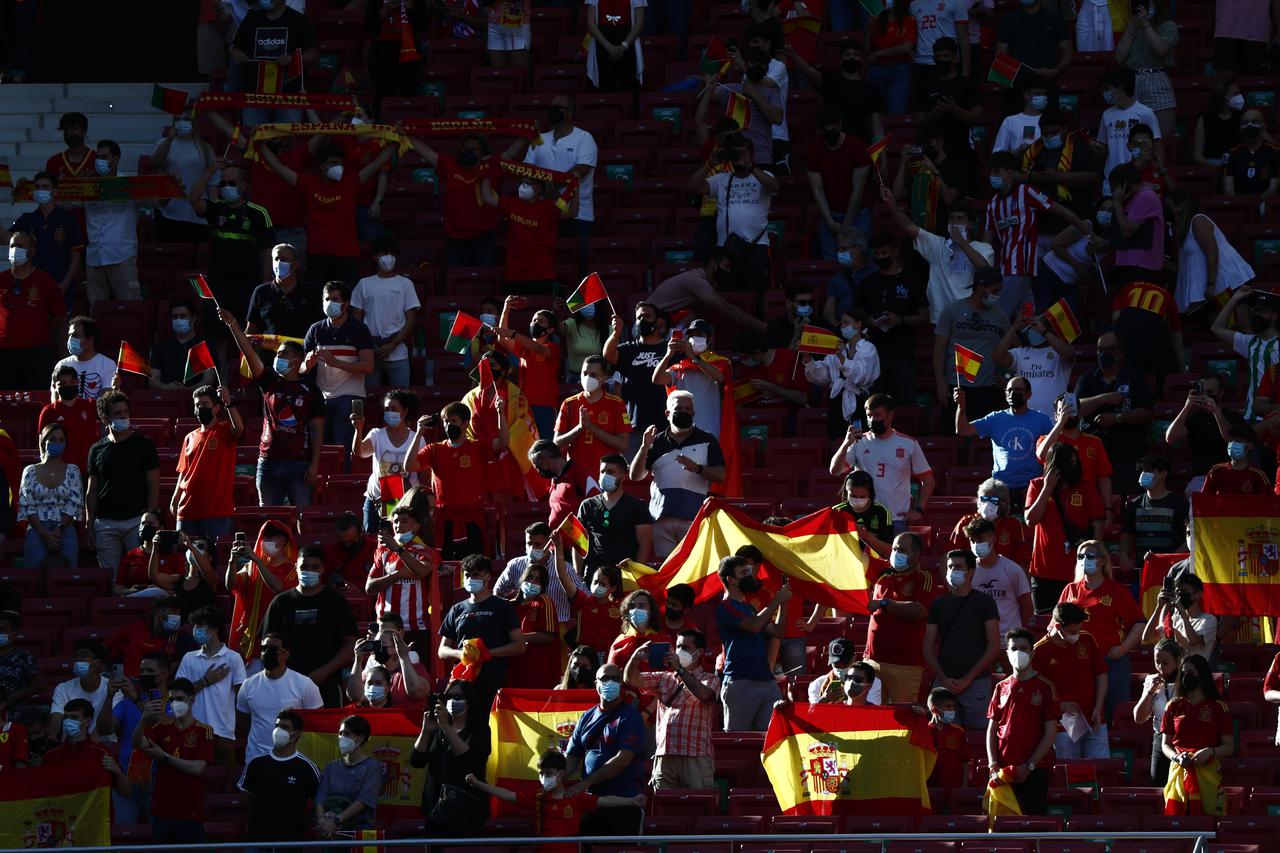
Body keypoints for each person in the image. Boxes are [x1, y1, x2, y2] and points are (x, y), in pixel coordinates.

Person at [221, 307, 324, 507]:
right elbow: (248, 352)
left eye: (284, 354)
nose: (278, 358)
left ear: (297, 360)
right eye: (278, 354)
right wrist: (233, 324)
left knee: (302, 515)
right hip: (267, 462)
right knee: (267, 518)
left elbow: (318, 430)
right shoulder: (269, 382)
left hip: (299, 464)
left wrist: (315, 463)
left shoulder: (311, 390)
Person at [466, 748, 646, 850]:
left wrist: (631, 801)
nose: (544, 777)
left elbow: (604, 801)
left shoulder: (574, 797)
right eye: (541, 774)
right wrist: (479, 784)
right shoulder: (537, 797)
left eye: (549, 773)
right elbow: (507, 795)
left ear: (560, 774)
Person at [984, 151, 1094, 317]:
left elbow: (1060, 210)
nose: (993, 176)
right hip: (1009, 269)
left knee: (999, 317)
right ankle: (1034, 342)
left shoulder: (1025, 192)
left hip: (1019, 268)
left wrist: (1087, 231)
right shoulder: (992, 204)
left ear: (1010, 173)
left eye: (997, 171)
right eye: (991, 172)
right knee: (1029, 321)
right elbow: (987, 241)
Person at [629, 391, 726, 559]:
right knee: (667, 571)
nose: (684, 412)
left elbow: (721, 475)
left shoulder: (707, 439)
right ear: (667, 413)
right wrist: (645, 447)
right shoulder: (656, 441)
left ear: (694, 413)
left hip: (693, 518)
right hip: (661, 519)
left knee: (692, 567)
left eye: (688, 409)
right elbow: (635, 476)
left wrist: (698, 468)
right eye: (679, 408)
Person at [405, 401, 506, 560]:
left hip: (471, 518)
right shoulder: (435, 449)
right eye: (445, 421)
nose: (448, 425)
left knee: (472, 564)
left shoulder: (477, 446)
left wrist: (501, 413)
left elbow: (502, 442)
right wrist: (418, 434)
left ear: (465, 423)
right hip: (445, 520)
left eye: (453, 421)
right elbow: (409, 465)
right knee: (445, 564)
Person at [1058, 542, 1144, 724]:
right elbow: (1054, 626)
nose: (1084, 560)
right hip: (1078, 662)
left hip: (1111, 661)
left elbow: (1139, 623)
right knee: (1081, 715)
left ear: (1102, 560)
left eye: (1090, 556)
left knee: (1114, 712)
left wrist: (1123, 648)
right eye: (1081, 557)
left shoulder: (1117, 591)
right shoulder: (1070, 590)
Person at [621, 629, 718, 790]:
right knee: (664, 808)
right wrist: (635, 658)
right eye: (678, 646)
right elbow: (631, 679)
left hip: (695, 756)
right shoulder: (664, 677)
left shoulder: (710, 679)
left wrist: (680, 670)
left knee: (698, 806)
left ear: (699, 652)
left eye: (686, 647)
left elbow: (705, 695)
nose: (680, 651)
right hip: (664, 755)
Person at [264, 545, 358, 707]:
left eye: (314, 567)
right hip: (286, 683)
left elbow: (350, 644)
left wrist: (324, 671)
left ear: (323, 568)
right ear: (296, 567)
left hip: (326, 683)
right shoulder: (280, 602)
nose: (309, 571)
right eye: (304, 566)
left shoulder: (336, 602)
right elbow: (267, 645)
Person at [828, 393, 934, 533]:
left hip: (895, 519)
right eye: (869, 415)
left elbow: (928, 481)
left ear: (890, 415)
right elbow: (835, 470)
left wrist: (919, 510)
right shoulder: (858, 442)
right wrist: (846, 444)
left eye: (878, 415)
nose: (872, 420)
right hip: (862, 517)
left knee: (893, 554)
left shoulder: (908, 444)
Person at [884, 192, 994, 325]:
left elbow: (986, 272)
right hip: (942, 318)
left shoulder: (983, 248)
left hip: (971, 317)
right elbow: (908, 226)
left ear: (970, 224)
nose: (954, 223)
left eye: (960, 219)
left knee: (964, 347)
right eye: (951, 219)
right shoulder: (938, 245)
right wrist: (892, 204)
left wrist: (963, 244)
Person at [686, 138, 777, 297]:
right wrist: (709, 164)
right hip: (726, 249)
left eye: (742, 152)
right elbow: (692, 188)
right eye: (735, 152)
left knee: (757, 296)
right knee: (728, 296)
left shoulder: (764, 176)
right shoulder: (721, 179)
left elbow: (774, 187)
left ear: (753, 156)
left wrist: (751, 166)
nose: (738, 156)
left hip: (756, 247)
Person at [438, 555, 526, 714]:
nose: (470, 578)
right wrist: (463, 654)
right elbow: (442, 650)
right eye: (467, 575)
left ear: (488, 576)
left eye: (476, 574)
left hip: (493, 682)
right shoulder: (457, 609)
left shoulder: (503, 607)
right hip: (463, 683)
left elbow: (519, 646)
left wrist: (487, 653)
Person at [986, 628, 1061, 816]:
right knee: (1003, 824)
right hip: (1004, 771)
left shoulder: (1045, 687)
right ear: (1007, 652)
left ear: (1032, 652)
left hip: (1034, 770)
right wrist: (993, 763)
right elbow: (991, 730)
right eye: (1014, 648)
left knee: (1034, 823)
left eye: (1023, 648)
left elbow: (1050, 733)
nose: (1018, 652)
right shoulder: (1000, 687)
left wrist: (1030, 765)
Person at [565, 662, 646, 835]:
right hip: (592, 802)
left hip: (624, 800)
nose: (610, 682)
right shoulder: (586, 717)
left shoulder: (631, 717)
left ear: (621, 684)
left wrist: (587, 782)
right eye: (605, 678)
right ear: (596, 684)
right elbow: (571, 758)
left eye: (616, 678)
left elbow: (623, 760)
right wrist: (553, 778)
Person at [923, 550, 1000, 730]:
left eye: (958, 566)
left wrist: (968, 679)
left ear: (971, 571)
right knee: (942, 735)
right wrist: (944, 678)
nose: (953, 570)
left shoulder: (985, 602)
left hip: (977, 683)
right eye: (950, 567)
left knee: (980, 735)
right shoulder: (938, 604)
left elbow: (994, 646)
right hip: (944, 683)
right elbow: (927, 648)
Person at [521, 95, 598, 273]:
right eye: (551, 107)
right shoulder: (539, 139)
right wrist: (543, 185)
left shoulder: (584, 138)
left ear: (570, 113)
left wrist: (550, 184)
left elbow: (582, 168)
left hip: (577, 214)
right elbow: (526, 168)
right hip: (542, 212)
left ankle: (581, 303)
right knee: (546, 265)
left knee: (578, 268)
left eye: (558, 108)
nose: (553, 111)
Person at [403, 134, 505, 267]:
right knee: (457, 277)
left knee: (483, 278)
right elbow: (426, 151)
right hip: (455, 235)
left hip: (483, 235)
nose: (469, 151)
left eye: (475, 149)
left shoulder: (491, 166)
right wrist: (407, 134)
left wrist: (528, 131)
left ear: (483, 153)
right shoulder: (449, 164)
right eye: (466, 148)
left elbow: (512, 153)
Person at [86, 389, 159, 572]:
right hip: (105, 524)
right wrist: (90, 525)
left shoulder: (145, 445)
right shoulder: (96, 449)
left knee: (139, 573)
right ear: (105, 418)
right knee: (110, 578)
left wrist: (150, 520)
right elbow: (92, 490)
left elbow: (153, 485)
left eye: (125, 412)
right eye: (117, 413)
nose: (123, 416)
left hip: (136, 521)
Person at [1074, 332, 1155, 496]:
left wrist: (1118, 418)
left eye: (1109, 349)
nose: (1104, 354)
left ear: (1121, 352)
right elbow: (1075, 409)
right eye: (1099, 350)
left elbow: (1147, 413)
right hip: (1092, 458)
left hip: (1128, 457)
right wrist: (1104, 398)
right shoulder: (1087, 379)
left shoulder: (1135, 378)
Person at [132, 678, 212, 843]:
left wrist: (165, 757)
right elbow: (138, 743)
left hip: (190, 811)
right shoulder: (161, 728)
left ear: (191, 699)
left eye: (180, 699)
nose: (175, 703)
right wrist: (143, 719)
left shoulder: (204, 731)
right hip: (162, 811)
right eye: (172, 700)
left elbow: (198, 768)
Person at [955, 376, 1055, 509]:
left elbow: (1052, 454)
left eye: (1018, 390)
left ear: (1028, 394)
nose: (1013, 394)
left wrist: (1039, 483)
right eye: (1009, 390)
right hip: (1001, 489)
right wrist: (961, 406)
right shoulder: (995, 418)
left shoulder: (1042, 420)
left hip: (1031, 487)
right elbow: (962, 429)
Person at [716, 555, 789, 731]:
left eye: (749, 571)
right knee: (737, 743)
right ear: (731, 580)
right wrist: (777, 600)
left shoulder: (749, 608)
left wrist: (784, 603)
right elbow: (755, 626)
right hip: (740, 681)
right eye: (743, 573)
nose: (750, 576)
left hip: (766, 680)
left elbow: (777, 632)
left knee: (770, 739)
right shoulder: (726, 607)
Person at [865, 532, 938, 704]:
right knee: (871, 719)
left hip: (905, 666)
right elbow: (854, 558)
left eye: (902, 549)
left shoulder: (923, 578)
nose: (896, 553)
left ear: (916, 554)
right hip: (873, 661)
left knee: (903, 719)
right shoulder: (882, 573)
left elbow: (919, 610)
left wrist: (885, 603)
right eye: (895, 548)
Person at [302, 281, 375, 451]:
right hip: (321, 397)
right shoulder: (315, 330)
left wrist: (335, 362)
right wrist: (308, 365)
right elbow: (301, 369)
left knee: (346, 447)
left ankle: (345, 478)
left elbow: (368, 366)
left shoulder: (359, 329)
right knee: (320, 448)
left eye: (335, 299)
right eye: (326, 299)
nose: (329, 303)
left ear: (346, 304)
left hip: (353, 397)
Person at [1032, 602, 1108, 760]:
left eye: (1079, 629)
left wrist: (1099, 706)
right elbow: (1036, 691)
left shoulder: (1087, 639)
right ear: (1058, 627)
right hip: (1062, 725)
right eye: (1073, 631)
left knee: (1100, 768)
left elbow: (1101, 675)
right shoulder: (1039, 651)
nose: (1077, 634)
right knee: (1070, 773)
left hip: (1094, 719)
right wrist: (1059, 706)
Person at [1160, 654, 1232, 816]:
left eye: (1191, 672)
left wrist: (1209, 752)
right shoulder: (1173, 706)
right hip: (1179, 769)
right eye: (1184, 673)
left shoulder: (1219, 707)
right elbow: (1165, 745)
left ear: (1202, 675)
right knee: (1176, 822)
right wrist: (1177, 758)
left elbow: (1229, 746)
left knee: (1210, 820)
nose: (1186, 676)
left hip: (1208, 772)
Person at [365, 498, 440, 653]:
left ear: (416, 526)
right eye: (396, 521)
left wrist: (399, 550)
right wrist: (397, 575)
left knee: (415, 671)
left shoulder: (424, 551)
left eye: (405, 521)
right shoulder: (383, 552)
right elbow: (369, 587)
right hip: (385, 628)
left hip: (416, 627)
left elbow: (422, 571)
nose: (399, 525)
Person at [932, 268, 1009, 418]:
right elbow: (939, 347)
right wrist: (940, 381)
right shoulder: (952, 310)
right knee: (954, 436)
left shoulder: (999, 316)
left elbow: (1015, 347)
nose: (997, 295)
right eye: (995, 290)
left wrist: (1006, 376)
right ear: (981, 288)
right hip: (957, 385)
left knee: (983, 438)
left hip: (987, 386)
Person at [174, 606, 245, 767]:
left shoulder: (233, 658)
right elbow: (179, 694)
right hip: (191, 731)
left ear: (214, 629)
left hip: (223, 733)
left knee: (222, 785)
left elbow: (241, 697)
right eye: (195, 625)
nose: (195, 630)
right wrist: (205, 681)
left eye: (200, 625)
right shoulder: (189, 658)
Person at [236, 633, 324, 764]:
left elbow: (318, 720)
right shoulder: (248, 685)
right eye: (263, 649)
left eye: (272, 649)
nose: (266, 653)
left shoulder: (304, 684)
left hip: (292, 759)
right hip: (256, 759)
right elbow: (243, 720)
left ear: (286, 654)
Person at [170, 384, 241, 541]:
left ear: (216, 408)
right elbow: (183, 471)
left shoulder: (224, 429)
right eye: (197, 405)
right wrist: (175, 498)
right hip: (187, 510)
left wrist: (228, 402)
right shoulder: (189, 437)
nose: (200, 408)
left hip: (216, 511)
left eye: (205, 404)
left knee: (214, 558)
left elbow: (239, 428)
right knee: (187, 560)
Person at [238, 710, 320, 847]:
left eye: (285, 727)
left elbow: (319, 800)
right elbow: (245, 796)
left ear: (297, 733)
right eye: (277, 726)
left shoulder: (307, 767)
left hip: (291, 841)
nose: (278, 730)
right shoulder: (257, 763)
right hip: (257, 839)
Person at [861, 236, 929, 397]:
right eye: (877, 253)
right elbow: (857, 314)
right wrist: (868, 321)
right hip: (874, 356)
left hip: (903, 355)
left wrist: (901, 319)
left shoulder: (911, 281)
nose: (881, 257)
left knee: (905, 403)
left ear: (895, 251)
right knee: (875, 405)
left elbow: (925, 316)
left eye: (884, 252)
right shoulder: (868, 282)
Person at [350, 235, 421, 390]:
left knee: (403, 399)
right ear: (375, 257)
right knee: (370, 398)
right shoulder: (364, 284)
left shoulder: (406, 284)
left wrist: (393, 344)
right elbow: (356, 319)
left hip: (398, 353)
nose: (388, 258)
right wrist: (367, 345)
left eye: (392, 254)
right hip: (370, 352)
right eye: (383, 253)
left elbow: (411, 320)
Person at [604, 303, 673, 457]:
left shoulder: (669, 349)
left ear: (658, 322)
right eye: (639, 317)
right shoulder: (628, 349)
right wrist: (616, 333)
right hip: (635, 425)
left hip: (666, 423)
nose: (642, 320)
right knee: (633, 477)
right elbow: (608, 355)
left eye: (647, 316)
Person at [1170, 191, 1255, 315]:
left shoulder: (1198, 221)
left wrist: (1211, 284)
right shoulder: (1181, 229)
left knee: (1240, 328)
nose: (1167, 209)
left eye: (1170, 205)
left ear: (1180, 206)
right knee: (1218, 329)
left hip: (1229, 280)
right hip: (1209, 287)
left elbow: (1212, 253)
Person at [0, 231, 66, 391]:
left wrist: (39, 329)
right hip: (3, 354)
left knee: (36, 400)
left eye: (20, 246)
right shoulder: (1, 279)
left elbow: (60, 317)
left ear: (32, 251)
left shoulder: (45, 281)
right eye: (12, 246)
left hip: (36, 353)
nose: (15, 250)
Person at [5, 172, 85, 300]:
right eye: (37, 187)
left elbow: (76, 257)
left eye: (45, 187)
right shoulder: (27, 219)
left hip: (60, 286)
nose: (40, 190)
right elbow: (6, 239)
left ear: (55, 191)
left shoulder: (68, 219)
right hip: (32, 287)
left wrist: (64, 285)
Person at [225, 520, 297, 661]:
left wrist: (257, 562)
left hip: (276, 635)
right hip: (251, 634)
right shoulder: (251, 566)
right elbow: (231, 584)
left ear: (283, 540)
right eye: (264, 538)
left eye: (270, 538)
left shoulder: (293, 569)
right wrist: (232, 562)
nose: (265, 541)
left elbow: (279, 587)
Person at [806, 107, 872, 258]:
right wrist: (830, 222)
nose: (830, 134)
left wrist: (846, 226)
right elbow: (817, 190)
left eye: (833, 129)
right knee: (831, 260)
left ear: (840, 125)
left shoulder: (858, 147)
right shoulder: (814, 152)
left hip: (858, 213)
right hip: (830, 213)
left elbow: (858, 189)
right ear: (819, 130)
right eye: (826, 131)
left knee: (860, 258)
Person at [804, 312, 879, 441]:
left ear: (858, 324)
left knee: (861, 445)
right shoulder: (840, 349)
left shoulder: (868, 349)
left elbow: (861, 376)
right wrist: (807, 357)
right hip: (836, 404)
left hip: (860, 403)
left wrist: (841, 357)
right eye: (841, 323)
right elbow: (821, 375)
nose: (842, 326)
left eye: (846, 322)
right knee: (837, 443)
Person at [353, 389, 420, 533]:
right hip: (376, 500)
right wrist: (358, 429)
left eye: (394, 409)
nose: (390, 412)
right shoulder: (377, 435)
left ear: (405, 411)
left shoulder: (417, 439)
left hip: (405, 504)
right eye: (386, 409)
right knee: (373, 543)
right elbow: (359, 452)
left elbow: (424, 472)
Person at [84, 140, 141, 305]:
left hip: (121, 255)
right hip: (95, 257)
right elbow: (65, 202)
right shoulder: (89, 186)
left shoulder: (130, 186)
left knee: (130, 306)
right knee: (96, 310)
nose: (99, 160)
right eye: (98, 156)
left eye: (104, 156)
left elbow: (156, 202)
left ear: (115, 159)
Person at [652, 319, 730, 439]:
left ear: (710, 339)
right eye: (691, 335)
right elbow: (657, 379)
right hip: (684, 431)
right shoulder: (680, 367)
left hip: (711, 431)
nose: (694, 338)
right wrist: (668, 355)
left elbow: (720, 377)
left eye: (699, 335)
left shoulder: (720, 363)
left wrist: (694, 358)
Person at [18, 423, 82, 570]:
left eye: (61, 440)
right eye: (53, 439)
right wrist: (43, 532)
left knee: (68, 575)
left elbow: (74, 502)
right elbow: (27, 504)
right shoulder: (29, 471)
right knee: (35, 575)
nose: (57, 443)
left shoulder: (72, 470)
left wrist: (59, 528)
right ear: (44, 441)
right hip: (37, 529)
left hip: (64, 530)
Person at [554, 355, 631, 476]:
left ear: (604, 378)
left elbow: (623, 444)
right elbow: (557, 442)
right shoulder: (569, 403)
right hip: (577, 474)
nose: (587, 378)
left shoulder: (616, 404)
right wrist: (579, 428)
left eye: (593, 375)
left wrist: (592, 428)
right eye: (584, 373)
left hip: (605, 474)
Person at [1212, 286, 1280, 422]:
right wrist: (1235, 298)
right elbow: (1216, 328)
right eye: (1254, 311)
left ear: (1274, 315)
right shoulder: (1250, 342)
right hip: (1250, 416)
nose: (1256, 315)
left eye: (1261, 311)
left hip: (1275, 417)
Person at [576, 454, 653, 574]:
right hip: (594, 574)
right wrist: (577, 574)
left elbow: (645, 543)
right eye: (602, 471)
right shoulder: (587, 505)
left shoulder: (637, 506)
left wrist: (636, 574)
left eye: (610, 471)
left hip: (624, 574)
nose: (605, 475)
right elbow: (578, 543)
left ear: (623, 476)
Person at [43, 698, 131, 798]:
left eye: (74, 717)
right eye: (66, 717)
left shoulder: (102, 754)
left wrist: (118, 773)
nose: (68, 721)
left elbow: (126, 792)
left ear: (87, 721)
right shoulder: (51, 757)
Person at [314, 715, 385, 838]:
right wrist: (322, 821)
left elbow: (364, 800)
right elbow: (320, 798)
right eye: (340, 733)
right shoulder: (331, 767)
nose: (342, 738)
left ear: (361, 738)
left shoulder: (372, 766)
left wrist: (336, 821)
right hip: (330, 832)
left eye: (347, 733)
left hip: (356, 833)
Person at [1095, 66, 1162, 193]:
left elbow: (1157, 145)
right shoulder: (1107, 114)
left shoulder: (1145, 112)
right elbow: (1104, 147)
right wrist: (1097, 147)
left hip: (1136, 177)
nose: (1105, 94)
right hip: (1112, 177)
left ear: (1120, 88)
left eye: (1107, 89)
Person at [964, 518, 1032, 635]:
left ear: (993, 539)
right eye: (972, 540)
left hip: (1008, 640)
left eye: (980, 539)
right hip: (979, 640)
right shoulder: (969, 571)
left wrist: (1017, 633)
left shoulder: (1013, 569)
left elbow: (1027, 606)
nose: (976, 544)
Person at [1119, 455, 1188, 568]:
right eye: (1142, 471)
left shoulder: (1180, 503)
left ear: (1163, 474)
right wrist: (1123, 554)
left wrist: (1170, 561)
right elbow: (1127, 536)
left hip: (1170, 570)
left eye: (1149, 471)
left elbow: (1188, 540)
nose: (1143, 475)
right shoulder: (1134, 504)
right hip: (1142, 570)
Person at [105, 594, 197, 678]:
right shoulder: (135, 629)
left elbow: (195, 660)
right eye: (173, 611)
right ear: (158, 613)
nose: (177, 617)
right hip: (127, 684)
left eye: (178, 613)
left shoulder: (180, 638)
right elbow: (106, 648)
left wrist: (176, 664)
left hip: (157, 688)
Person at [245, 244, 320, 338]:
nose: (279, 262)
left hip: (302, 350)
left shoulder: (311, 292)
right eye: (276, 259)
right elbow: (251, 329)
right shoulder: (261, 292)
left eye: (284, 259)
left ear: (295, 264)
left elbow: (320, 327)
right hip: (269, 351)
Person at [1136, 638, 1183, 784]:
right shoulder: (1151, 680)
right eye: (1157, 662)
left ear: (1177, 661)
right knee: (1159, 783)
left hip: (1183, 737)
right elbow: (1138, 718)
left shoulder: (1186, 679)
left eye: (1165, 663)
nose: (1160, 667)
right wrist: (1150, 692)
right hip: (1160, 737)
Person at [37, 365, 100, 475]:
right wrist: (45, 463)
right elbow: (42, 441)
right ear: (54, 386)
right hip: (60, 472)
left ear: (77, 383)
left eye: (72, 382)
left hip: (88, 470)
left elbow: (111, 414)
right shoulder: (49, 411)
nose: (68, 386)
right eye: (63, 384)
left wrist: (115, 388)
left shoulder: (91, 405)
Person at [733, 331, 811, 409]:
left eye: (745, 357)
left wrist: (772, 388)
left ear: (757, 352)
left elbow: (802, 398)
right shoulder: (746, 368)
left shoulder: (788, 357)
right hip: (757, 417)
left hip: (788, 416)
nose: (743, 361)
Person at [148, 300, 216, 389]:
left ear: (193, 318)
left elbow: (209, 379)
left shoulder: (205, 345)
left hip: (197, 397)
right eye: (175, 317)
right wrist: (166, 387)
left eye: (183, 316)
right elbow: (153, 379)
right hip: (168, 396)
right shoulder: (161, 347)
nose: (178, 320)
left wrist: (187, 390)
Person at [50, 639, 111, 736]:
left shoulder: (113, 687)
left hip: (103, 744)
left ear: (98, 663)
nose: (78, 659)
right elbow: (57, 717)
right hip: (71, 745)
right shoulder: (63, 688)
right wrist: (52, 739)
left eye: (84, 655)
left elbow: (111, 721)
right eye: (76, 655)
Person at [833, 470, 895, 557]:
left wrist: (866, 536)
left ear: (870, 494)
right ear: (846, 492)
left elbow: (889, 551)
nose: (857, 500)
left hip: (873, 562)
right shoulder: (837, 511)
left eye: (862, 497)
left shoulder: (882, 511)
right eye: (853, 496)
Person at [56, 316, 116, 400]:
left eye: (75, 336)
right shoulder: (62, 365)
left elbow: (106, 398)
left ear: (90, 340)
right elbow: (55, 396)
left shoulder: (107, 364)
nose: (70, 340)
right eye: (69, 335)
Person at [809, 638, 884, 705]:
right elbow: (812, 716)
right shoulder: (817, 685)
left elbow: (871, 712)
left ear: (853, 658)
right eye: (836, 665)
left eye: (845, 663)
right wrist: (823, 700)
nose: (841, 668)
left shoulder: (870, 682)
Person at [1224, 109, 1280, 199]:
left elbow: (1273, 188)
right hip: (1238, 203)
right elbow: (1228, 189)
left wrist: (1255, 204)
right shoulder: (1231, 153)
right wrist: (1241, 205)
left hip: (1264, 203)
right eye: (1245, 123)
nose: (1249, 125)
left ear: (1264, 126)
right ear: (1240, 128)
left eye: (1254, 122)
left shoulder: (1275, 152)